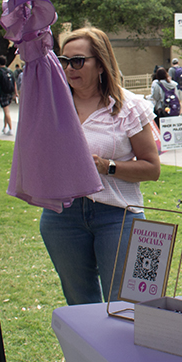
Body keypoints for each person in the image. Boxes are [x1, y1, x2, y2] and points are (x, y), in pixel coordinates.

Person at [41, 27, 160, 305]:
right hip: (62, 217)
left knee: (125, 304)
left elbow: (152, 168)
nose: (69, 68)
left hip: (116, 216)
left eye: (78, 61)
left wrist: (106, 166)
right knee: (79, 303)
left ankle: (120, 351)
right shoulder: (54, 105)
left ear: (101, 64)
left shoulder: (128, 106)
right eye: (64, 61)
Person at [0, 55, 19, 136]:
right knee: (6, 110)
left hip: (3, 94)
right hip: (10, 93)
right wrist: (15, 93)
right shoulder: (10, 71)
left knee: (6, 111)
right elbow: (14, 83)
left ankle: (11, 129)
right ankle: (5, 127)